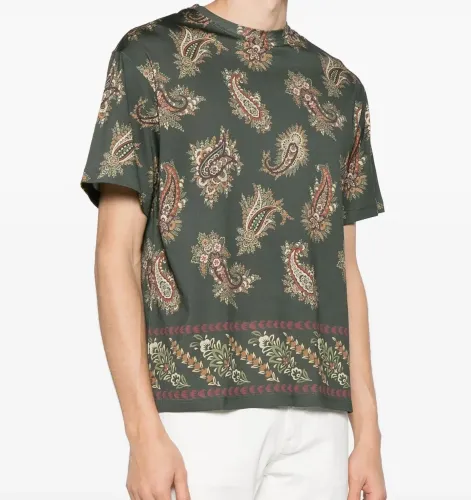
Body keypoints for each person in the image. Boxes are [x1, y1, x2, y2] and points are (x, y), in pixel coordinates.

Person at [81, 1, 387, 499]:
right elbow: (115, 254)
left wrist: (368, 432)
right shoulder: (149, 56)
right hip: (195, 417)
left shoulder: (339, 87)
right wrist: (141, 431)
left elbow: (345, 269)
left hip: (321, 424)